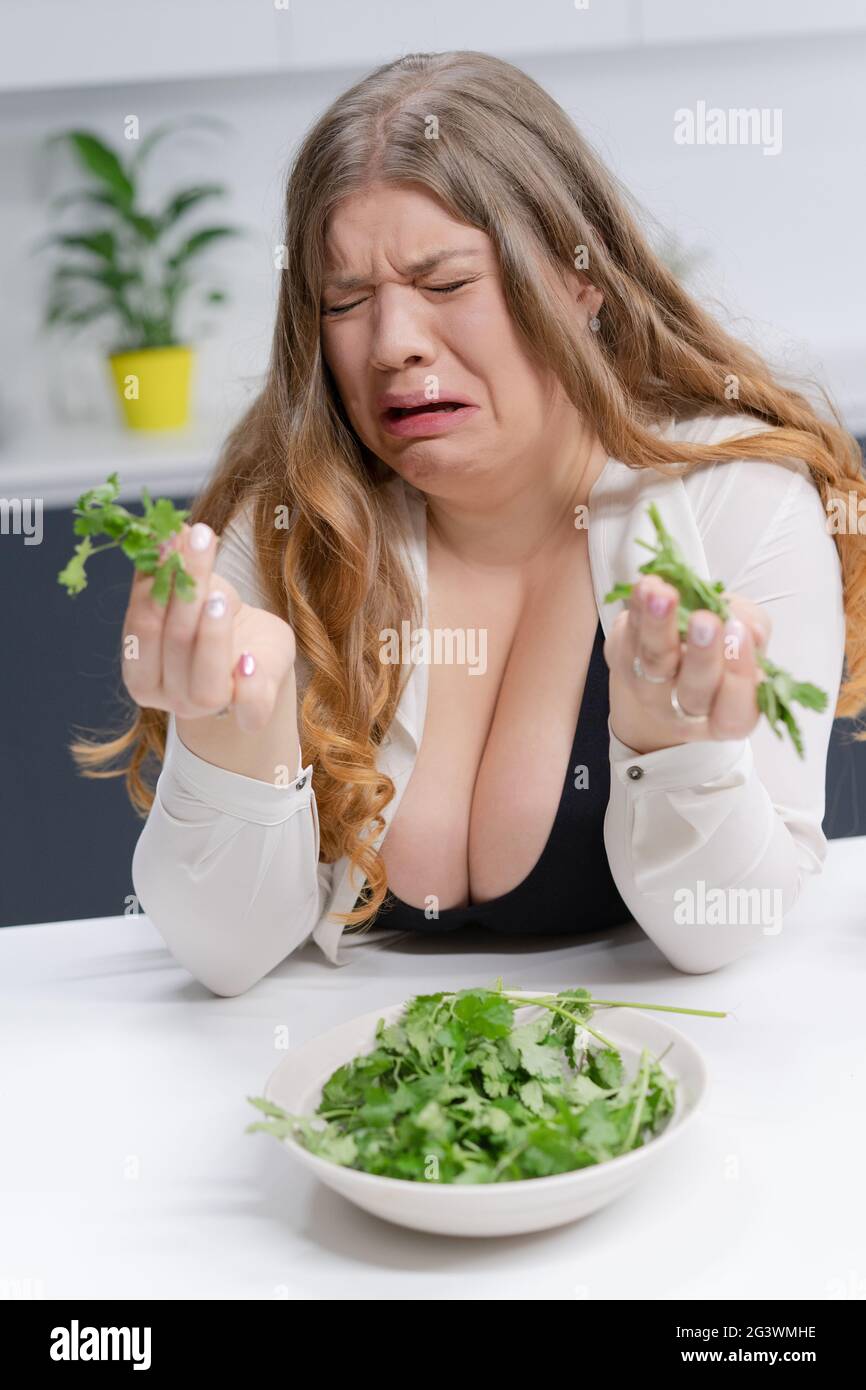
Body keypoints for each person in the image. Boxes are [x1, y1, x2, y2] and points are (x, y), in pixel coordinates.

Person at [73, 51, 865, 997]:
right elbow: (222, 955)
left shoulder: (732, 500)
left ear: (579, 280)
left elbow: (723, 931)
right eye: (348, 302)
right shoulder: (291, 522)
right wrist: (229, 747)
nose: (395, 342)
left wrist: (673, 747)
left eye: (445, 284)